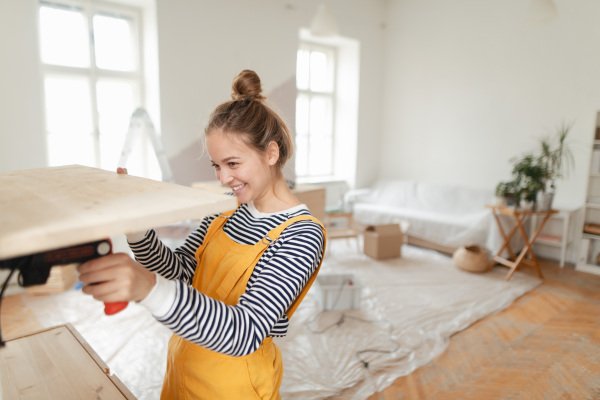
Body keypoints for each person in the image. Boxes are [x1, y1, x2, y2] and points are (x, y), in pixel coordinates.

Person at [77, 70, 326, 399]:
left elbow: (244, 331)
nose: (223, 178)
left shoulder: (301, 235)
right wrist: (136, 224)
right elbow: (179, 270)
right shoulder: (227, 212)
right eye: (216, 166)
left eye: (233, 164)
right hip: (185, 364)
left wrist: (149, 289)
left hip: (234, 386)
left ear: (271, 154)